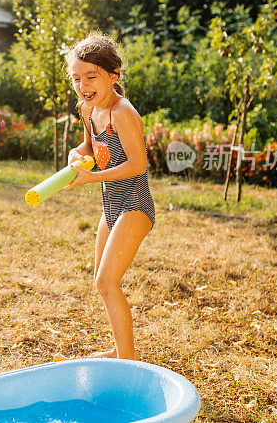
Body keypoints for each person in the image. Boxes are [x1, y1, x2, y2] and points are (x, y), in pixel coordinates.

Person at [62, 33, 155, 360]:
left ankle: (126, 361)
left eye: (91, 76)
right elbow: (90, 146)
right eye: (76, 77)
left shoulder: (122, 112)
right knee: (102, 283)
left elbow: (138, 163)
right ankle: (119, 350)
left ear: (112, 77)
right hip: (111, 206)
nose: (82, 84)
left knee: (107, 281)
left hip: (135, 206)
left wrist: (92, 177)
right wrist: (77, 153)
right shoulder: (87, 110)